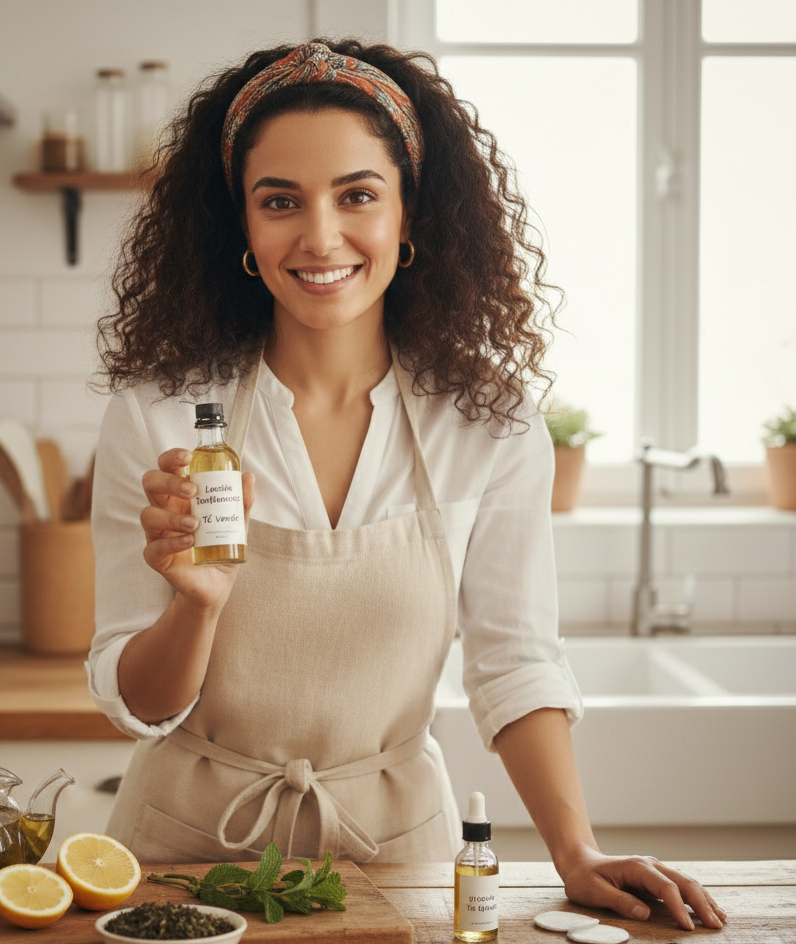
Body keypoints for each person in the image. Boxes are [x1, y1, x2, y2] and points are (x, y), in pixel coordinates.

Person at [87, 39, 726, 932]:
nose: (320, 237)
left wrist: (575, 852)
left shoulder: (489, 422)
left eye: (356, 195)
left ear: (408, 212)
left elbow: (513, 660)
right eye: (280, 201)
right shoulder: (158, 416)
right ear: (240, 225)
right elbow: (138, 705)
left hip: (400, 857)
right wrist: (194, 605)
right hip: (180, 859)